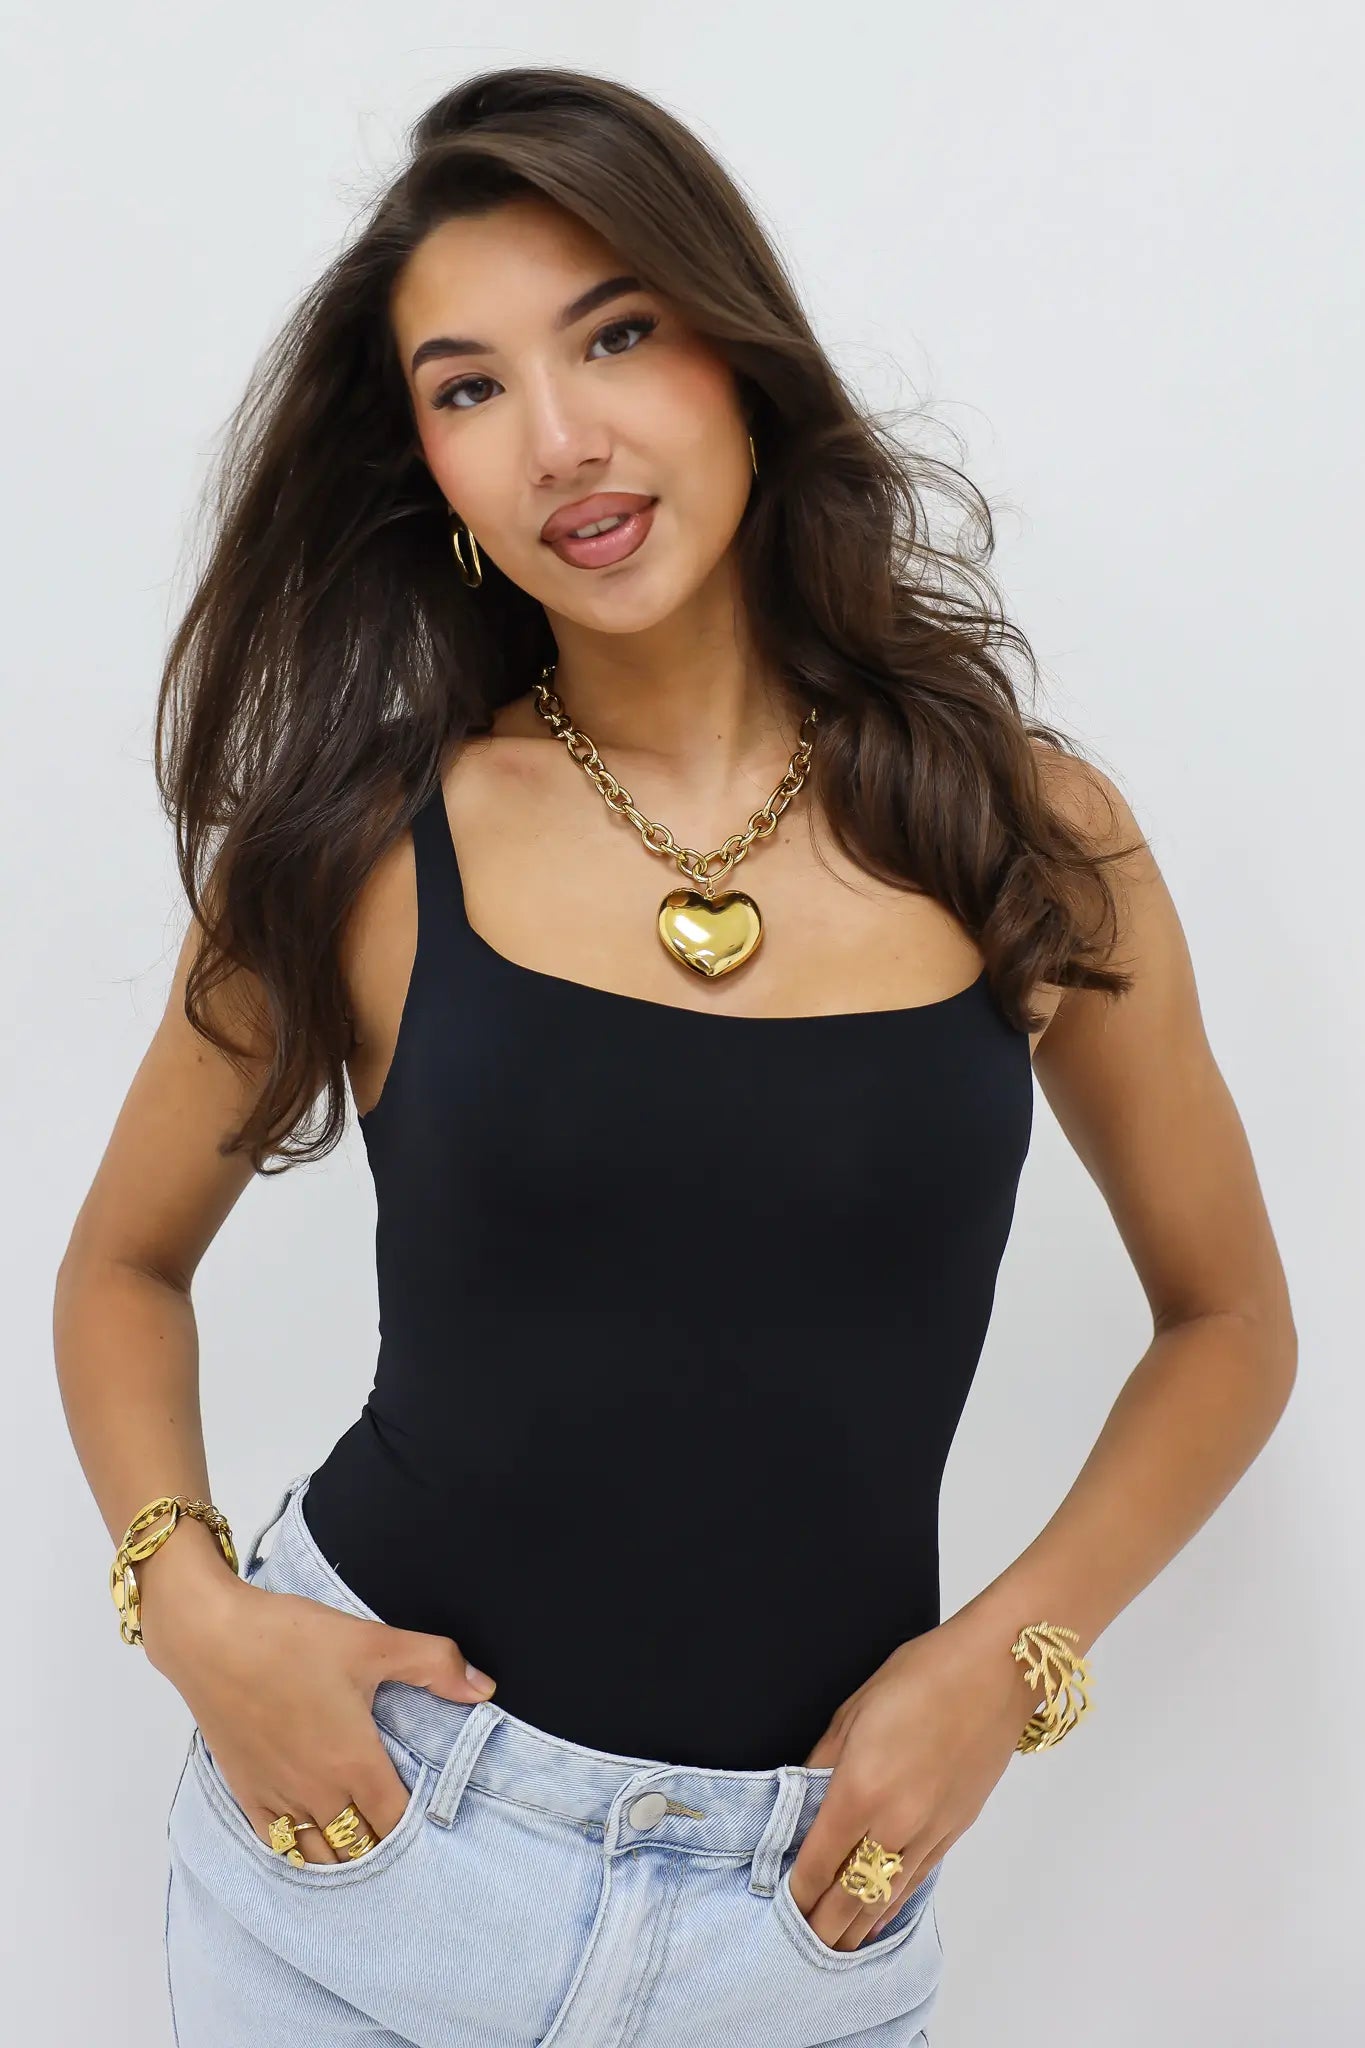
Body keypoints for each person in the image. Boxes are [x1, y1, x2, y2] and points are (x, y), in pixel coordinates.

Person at [53, 65, 1297, 2048]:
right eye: (469, 386)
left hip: (791, 1921)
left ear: (737, 351)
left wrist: (1008, 1662)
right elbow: (122, 1265)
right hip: (361, 1858)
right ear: (427, 464)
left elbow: (1226, 1320)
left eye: (614, 334)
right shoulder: (361, 843)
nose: (560, 437)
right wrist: (186, 1602)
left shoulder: (1022, 834)